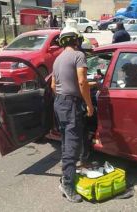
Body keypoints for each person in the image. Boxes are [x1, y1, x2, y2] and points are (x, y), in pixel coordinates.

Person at [52, 27, 94, 203]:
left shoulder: (57, 59)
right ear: (76, 40)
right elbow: (82, 81)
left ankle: (69, 173)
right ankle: (67, 184)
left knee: (65, 141)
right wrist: (89, 105)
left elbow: (54, 86)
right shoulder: (79, 56)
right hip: (71, 105)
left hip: (59, 103)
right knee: (72, 145)